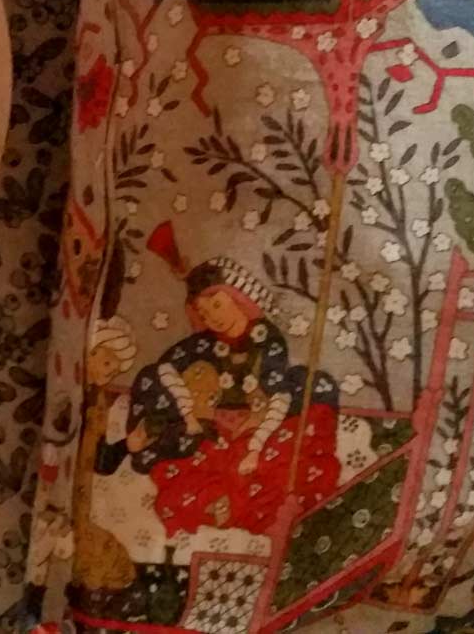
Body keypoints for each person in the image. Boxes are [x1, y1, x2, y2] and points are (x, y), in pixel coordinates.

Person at [117, 223, 342, 537]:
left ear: (240, 298)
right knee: (152, 383)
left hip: (260, 424)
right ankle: (148, 439)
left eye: (217, 305)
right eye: (203, 312)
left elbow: (277, 395)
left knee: (308, 395)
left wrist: (255, 441)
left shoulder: (267, 339)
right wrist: (185, 411)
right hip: (211, 427)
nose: (212, 317)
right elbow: (166, 368)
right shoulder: (205, 342)